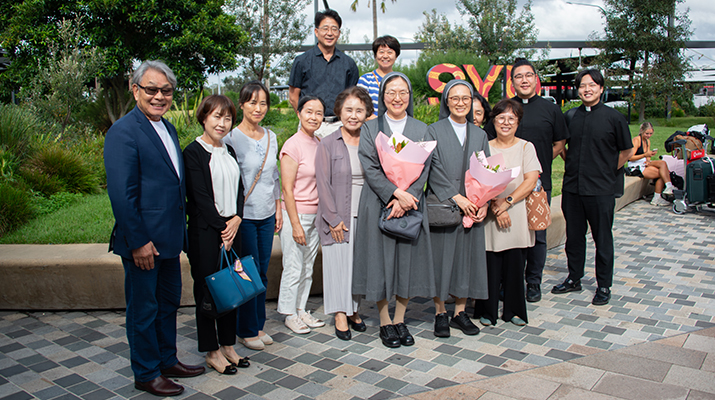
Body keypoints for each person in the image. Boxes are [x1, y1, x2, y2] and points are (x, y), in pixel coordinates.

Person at [104, 60, 204, 397]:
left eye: (166, 91)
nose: (159, 96)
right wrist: (138, 240)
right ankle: (146, 373)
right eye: (151, 89)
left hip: (170, 240)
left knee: (167, 304)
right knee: (143, 310)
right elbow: (122, 193)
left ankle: (166, 359)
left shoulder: (169, 128)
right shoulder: (123, 131)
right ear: (136, 90)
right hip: (144, 244)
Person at [352, 72, 436, 348]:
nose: (397, 98)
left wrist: (408, 196)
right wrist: (394, 193)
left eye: (402, 92)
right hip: (379, 201)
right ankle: (384, 320)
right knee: (380, 262)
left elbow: (424, 169)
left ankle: (400, 318)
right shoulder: (370, 127)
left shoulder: (422, 128)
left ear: (409, 96)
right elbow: (370, 166)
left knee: (406, 263)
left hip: (410, 205)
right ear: (382, 96)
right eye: (391, 92)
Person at [486, 59, 569, 303]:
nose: (524, 80)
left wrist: (533, 163)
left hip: (536, 185)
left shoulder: (550, 109)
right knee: (507, 233)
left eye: (528, 75)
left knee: (538, 235)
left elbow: (560, 143)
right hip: (503, 188)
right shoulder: (504, 110)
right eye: (518, 76)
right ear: (512, 82)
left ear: (535, 79)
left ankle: (533, 282)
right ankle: (507, 283)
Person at [552, 69, 634, 306]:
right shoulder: (570, 116)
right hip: (573, 188)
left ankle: (604, 285)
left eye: (592, 85)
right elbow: (561, 145)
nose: (587, 89)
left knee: (602, 238)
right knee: (574, 237)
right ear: (578, 90)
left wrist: (609, 169)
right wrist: (570, 161)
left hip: (601, 190)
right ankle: (574, 278)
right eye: (582, 86)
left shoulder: (614, 118)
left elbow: (627, 150)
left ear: (600, 88)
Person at [184, 95, 249, 375]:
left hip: (232, 229)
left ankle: (228, 345)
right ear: (204, 118)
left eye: (227, 118)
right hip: (206, 234)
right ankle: (211, 350)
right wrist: (224, 228)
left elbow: (240, 191)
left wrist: (236, 219)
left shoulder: (230, 151)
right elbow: (199, 198)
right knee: (208, 292)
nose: (222, 123)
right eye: (216, 117)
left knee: (231, 289)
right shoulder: (193, 153)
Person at [427, 80, 489, 338]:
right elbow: (432, 168)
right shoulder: (434, 131)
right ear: (446, 101)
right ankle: (440, 312)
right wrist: (457, 197)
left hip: (473, 206)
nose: (461, 103)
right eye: (455, 98)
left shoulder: (480, 134)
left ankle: (459, 313)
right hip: (444, 205)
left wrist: (484, 200)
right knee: (442, 260)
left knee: (466, 259)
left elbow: (487, 171)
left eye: (466, 98)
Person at [223, 81, 281, 351]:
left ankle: (258, 325)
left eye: (263, 103)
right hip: (243, 217)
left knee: (263, 272)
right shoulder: (230, 138)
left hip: (267, 214)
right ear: (242, 104)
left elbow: (274, 176)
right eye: (252, 102)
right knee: (247, 272)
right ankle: (245, 330)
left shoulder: (271, 136)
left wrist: (278, 207)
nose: (258, 108)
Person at [474, 98, 541, 327]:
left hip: (517, 213)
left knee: (515, 265)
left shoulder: (526, 147)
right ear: (493, 120)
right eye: (501, 117)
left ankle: (514, 311)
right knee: (490, 265)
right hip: (491, 214)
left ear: (518, 122)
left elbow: (531, 180)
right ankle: (487, 311)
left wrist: (507, 202)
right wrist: (496, 205)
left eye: (511, 118)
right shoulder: (485, 144)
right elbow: (480, 179)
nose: (506, 122)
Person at [315, 86, 373, 340]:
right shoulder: (328, 143)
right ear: (339, 111)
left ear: (367, 113)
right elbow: (322, 184)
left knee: (358, 265)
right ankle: (340, 312)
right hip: (337, 215)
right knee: (338, 265)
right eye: (349, 109)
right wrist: (334, 219)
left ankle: (353, 309)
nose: (354, 115)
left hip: (366, 213)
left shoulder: (371, 141)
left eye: (359, 110)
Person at [278, 96, 326, 334]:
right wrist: (295, 224)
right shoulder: (292, 145)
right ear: (299, 113)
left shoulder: (320, 142)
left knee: (308, 266)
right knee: (294, 266)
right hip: (295, 215)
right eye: (309, 112)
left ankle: (301, 309)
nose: (313, 117)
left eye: (319, 113)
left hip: (315, 216)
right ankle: (288, 312)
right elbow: (287, 188)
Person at [288, 9, 359, 138]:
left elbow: (351, 98)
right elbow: (293, 97)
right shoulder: (302, 61)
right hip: (309, 125)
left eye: (334, 29)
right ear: (316, 31)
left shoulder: (349, 64)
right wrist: (307, 117)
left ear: (339, 33)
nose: (329, 33)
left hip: (338, 125)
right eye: (325, 28)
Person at [628, 122, 674, 206]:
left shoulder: (647, 141)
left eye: (650, 133)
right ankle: (657, 198)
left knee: (662, 163)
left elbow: (647, 155)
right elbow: (630, 157)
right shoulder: (637, 140)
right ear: (641, 131)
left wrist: (649, 159)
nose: (648, 135)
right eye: (647, 133)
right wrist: (645, 155)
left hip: (643, 163)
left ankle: (668, 186)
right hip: (635, 166)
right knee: (661, 174)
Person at [357, 35, 401, 118]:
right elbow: (358, 108)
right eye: (381, 52)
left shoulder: (400, 80)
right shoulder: (366, 80)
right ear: (375, 55)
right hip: (371, 127)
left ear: (396, 56)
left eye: (389, 52)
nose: (385, 56)